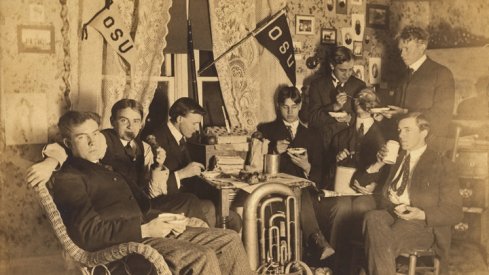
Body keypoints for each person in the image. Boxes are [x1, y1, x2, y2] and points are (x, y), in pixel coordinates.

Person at [51, 110, 254, 274]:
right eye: (82, 137)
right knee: (203, 255)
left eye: (95, 134)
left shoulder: (104, 168)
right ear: (69, 144)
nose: (92, 142)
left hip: (150, 230)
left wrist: (171, 219)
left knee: (229, 239)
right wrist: (146, 230)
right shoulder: (70, 178)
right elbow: (88, 233)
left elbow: (139, 209)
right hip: (127, 248)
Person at [26, 99, 215, 226]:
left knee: (189, 200)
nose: (130, 126)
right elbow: (66, 147)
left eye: (136, 121)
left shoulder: (144, 147)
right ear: (113, 122)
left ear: (141, 123)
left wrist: (157, 168)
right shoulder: (104, 139)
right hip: (118, 211)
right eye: (124, 120)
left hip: (141, 203)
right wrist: (50, 163)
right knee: (190, 205)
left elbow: (151, 192)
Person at [363, 112, 463, 275]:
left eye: (407, 130)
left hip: (421, 226)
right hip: (389, 214)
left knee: (376, 241)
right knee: (372, 217)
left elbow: (455, 212)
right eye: (399, 130)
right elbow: (361, 182)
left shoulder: (442, 165)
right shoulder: (393, 157)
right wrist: (378, 163)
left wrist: (421, 214)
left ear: (423, 132)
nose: (401, 135)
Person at [257, 86, 334, 262]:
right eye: (285, 107)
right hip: (274, 190)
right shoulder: (266, 130)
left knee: (301, 192)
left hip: (305, 190)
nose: (290, 111)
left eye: (294, 106)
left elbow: (321, 171)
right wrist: (273, 150)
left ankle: (311, 249)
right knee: (298, 194)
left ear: (300, 106)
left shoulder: (313, 134)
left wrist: (307, 167)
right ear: (278, 106)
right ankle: (317, 241)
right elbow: (255, 164)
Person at [143, 97, 241, 231]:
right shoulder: (155, 141)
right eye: (194, 123)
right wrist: (183, 174)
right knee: (212, 209)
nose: (196, 129)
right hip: (164, 203)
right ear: (179, 119)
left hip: (186, 197)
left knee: (235, 219)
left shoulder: (182, 137)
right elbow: (150, 188)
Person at [317, 88, 387, 274]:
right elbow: (327, 174)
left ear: (376, 105)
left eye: (368, 98)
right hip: (343, 190)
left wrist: (376, 186)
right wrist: (337, 161)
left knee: (361, 208)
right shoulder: (340, 136)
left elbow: (392, 171)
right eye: (359, 98)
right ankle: (335, 267)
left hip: (370, 192)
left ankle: (362, 266)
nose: (362, 101)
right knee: (341, 208)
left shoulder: (386, 136)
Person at [382, 26, 455, 152]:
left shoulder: (441, 73)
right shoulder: (403, 74)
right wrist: (385, 115)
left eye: (406, 49)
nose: (402, 54)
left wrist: (405, 113)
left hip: (429, 145)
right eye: (400, 49)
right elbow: (397, 108)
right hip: (404, 143)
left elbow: (443, 116)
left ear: (422, 47)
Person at [307, 46, 366, 185]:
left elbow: (364, 119)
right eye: (343, 70)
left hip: (347, 149)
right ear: (332, 65)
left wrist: (351, 118)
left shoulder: (359, 85)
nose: (347, 74)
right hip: (323, 148)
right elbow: (312, 119)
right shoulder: (317, 85)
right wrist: (334, 107)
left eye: (351, 69)